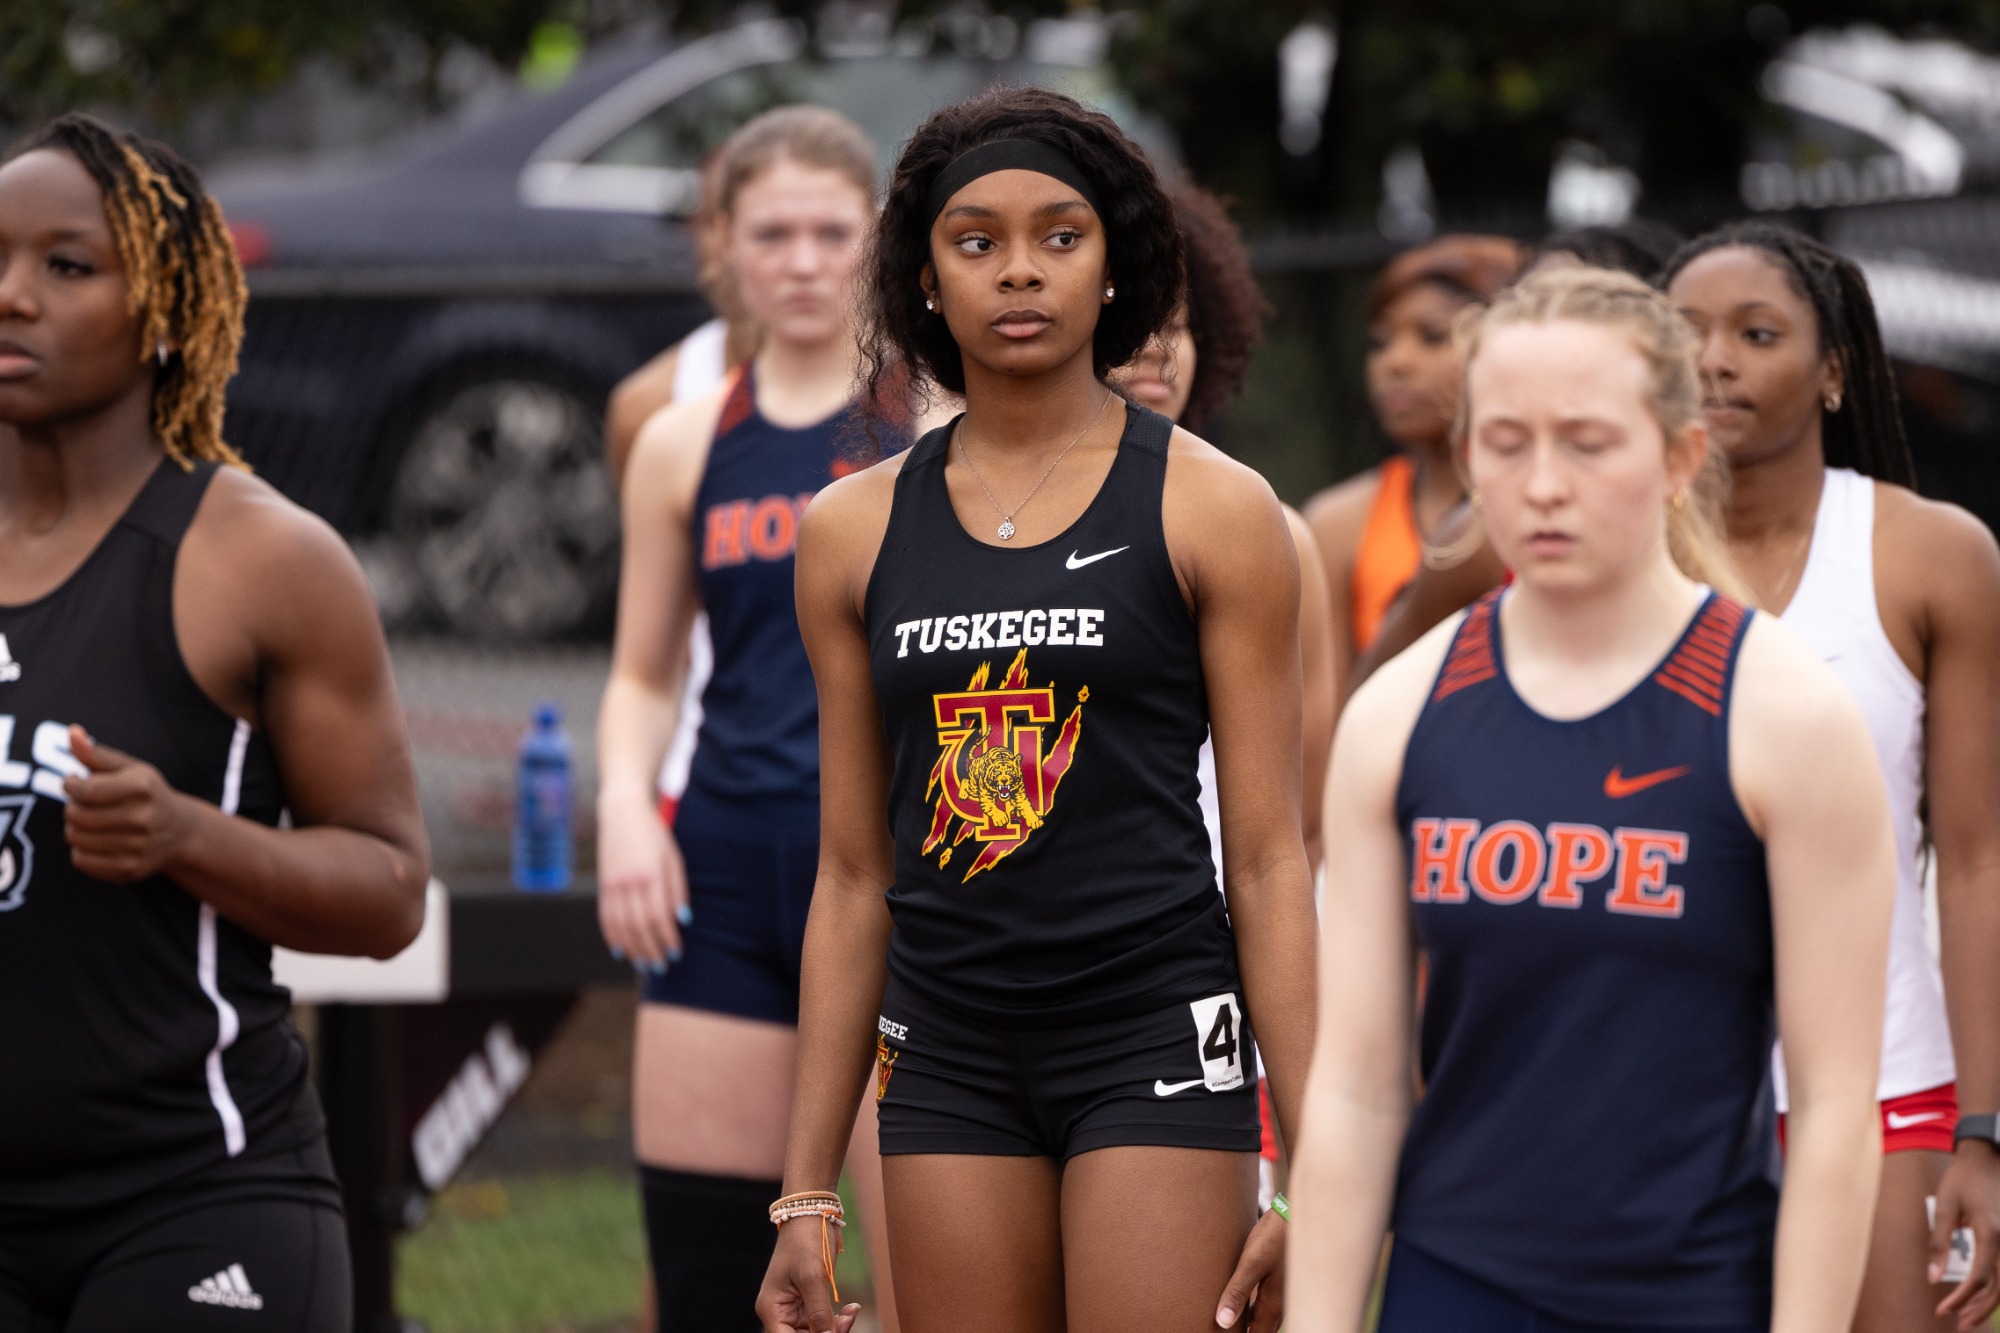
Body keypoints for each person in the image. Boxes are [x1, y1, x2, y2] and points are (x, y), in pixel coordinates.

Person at [758, 86, 1318, 1333]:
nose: (1021, 271)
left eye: (1060, 237)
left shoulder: (1214, 508)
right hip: (948, 1046)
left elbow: (1272, 857)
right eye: (977, 241)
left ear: (1115, 261)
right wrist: (805, 1194)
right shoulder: (847, 532)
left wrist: (1315, 1168)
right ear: (923, 277)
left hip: (1153, 1030)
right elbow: (853, 874)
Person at [1289, 266, 1895, 1331]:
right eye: (1506, 442)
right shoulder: (1396, 715)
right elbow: (1357, 1085)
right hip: (1455, 1283)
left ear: (1677, 457)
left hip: (1695, 1289)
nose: (1541, 484)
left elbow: (1838, 1105)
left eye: (1586, 440)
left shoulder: (1784, 714)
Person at [0, 115, 429, 1331]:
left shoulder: (263, 560)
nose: (11, 296)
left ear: (171, 307)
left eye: (66, 266)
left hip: (190, 1198)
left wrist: (186, 834)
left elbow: (390, 890)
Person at [595, 106, 904, 1331]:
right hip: (723, 856)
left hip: (894, 874)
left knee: (927, 1283)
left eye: (832, 231)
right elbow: (640, 673)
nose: (804, 260)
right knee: (708, 1276)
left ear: (876, 239)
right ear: (723, 244)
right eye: (771, 232)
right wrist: (627, 809)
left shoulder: (932, 424)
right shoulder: (681, 441)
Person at [1666, 221, 2000, 1333]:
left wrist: (1983, 1128)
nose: (1712, 359)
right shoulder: (1599, 556)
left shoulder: (1927, 554)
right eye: (1681, 334)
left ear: (1830, 371)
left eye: (1755, 334)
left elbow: (1974, 858)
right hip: (1650, 1092)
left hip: (1881, 1088)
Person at [1108, 181, 1335, 1204]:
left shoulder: (1267, 533)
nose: (1156, 348)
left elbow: (1306, 818)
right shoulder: (935, 525)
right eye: (1132, 322)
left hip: (1196, 978)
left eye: (1179, 323)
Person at [1341, 221, 1687, 703]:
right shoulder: (1478, 542)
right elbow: (1364, 716)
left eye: (1579, 316)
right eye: (1505, 446)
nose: (1543, 490)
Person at [1302, 235, 1523, 699]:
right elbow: (1327, 713)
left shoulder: (1542, 505)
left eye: (1432, 336)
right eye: (1381, 342)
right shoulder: (1338, 522)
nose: (1396, 362)